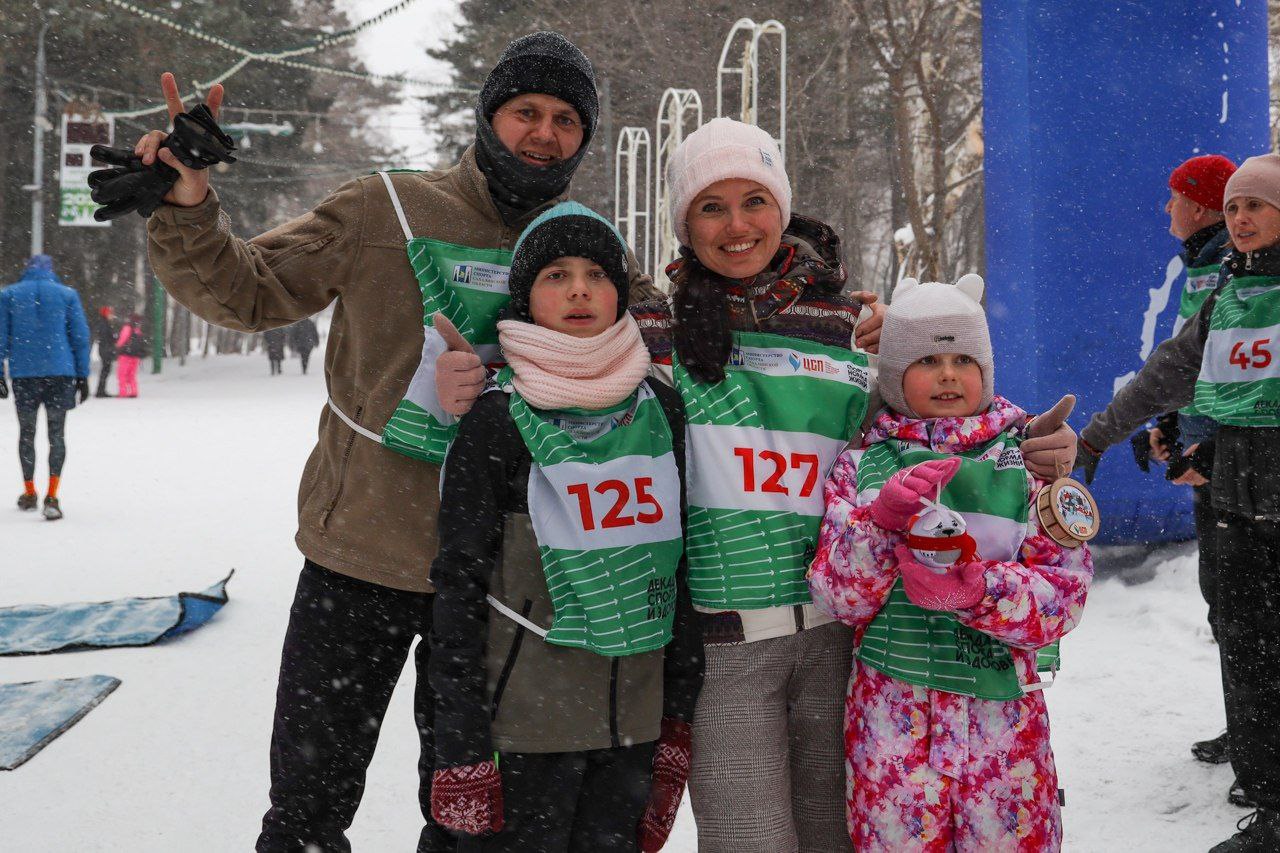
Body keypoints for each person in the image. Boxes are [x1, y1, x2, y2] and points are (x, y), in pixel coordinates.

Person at [437, 118, 1078, 852]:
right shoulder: (647, 327)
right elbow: (556, 360)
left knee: (838, 838)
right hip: (724, 647)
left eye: (754, 200)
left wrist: (1031, 448)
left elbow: (934, 423)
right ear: (684, 222)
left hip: (841, 645)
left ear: (782, 207)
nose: (736, 225)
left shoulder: (844, 326)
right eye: (711, 206)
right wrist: (471, 378)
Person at [132, 30, 655, 852]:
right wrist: (189, 203)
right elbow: (248, 289)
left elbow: (656, 348)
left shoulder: (583, 244)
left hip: (503, 579)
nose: (544, 134)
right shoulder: (385, 207)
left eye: (565, 119)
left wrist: (821, 309)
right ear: (487, 116)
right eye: (526, 111)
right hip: (364, 557)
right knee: (307, 810)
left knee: (468, 819)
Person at [429, 202, 702, 852]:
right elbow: (457, 586)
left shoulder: (661, 407)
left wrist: (675, 722)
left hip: (630, 729)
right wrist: (461, 737)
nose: (580, 288)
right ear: (527, 298)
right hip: (524, 730)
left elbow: (682, 567)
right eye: (556, 274)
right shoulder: (497, 419)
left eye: (595, 273)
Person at [809, 274, 1093, 851]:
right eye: (927, 359)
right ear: (892, 373)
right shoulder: (862, 466)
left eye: (964, 358)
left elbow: (1064, 596)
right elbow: (837, 595)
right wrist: (882, 524)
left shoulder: (1025, 462)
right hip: (892, 729)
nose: (947, 374)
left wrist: (980, 591)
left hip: (1004, 732)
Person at [1078, 153, 1280, 852]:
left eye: (1256, 207)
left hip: (1263, 485)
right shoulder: (1227, 290)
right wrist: (1099, 437)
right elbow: (1168, 370)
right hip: (1233, 496)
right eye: (1232, 208)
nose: (1242, 219)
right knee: (1246, 642)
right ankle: (1267, 796)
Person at [1142, 155, 1239, 775]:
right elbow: (1189, 367)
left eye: (1175, 196)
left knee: (1249, 605)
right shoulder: (1201, 265)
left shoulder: (1235, 269)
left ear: (1201, 205)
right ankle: (1251, 728)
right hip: (1209, 456)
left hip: (1241, 463)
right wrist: (1169, 427)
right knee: (1228, 605)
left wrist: (1207, 446)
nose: (1167, 209)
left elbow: (1236, 379)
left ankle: (1263, 742)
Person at [0, 254, 91, 521]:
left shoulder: (10, 295)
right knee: (57, 435)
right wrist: (82, 376)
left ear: (27, 270)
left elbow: (0, 336)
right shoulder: (67, 294)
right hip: (60, 374)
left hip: (24, 374)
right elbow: (80, 337)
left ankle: (29, 492)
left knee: (26, 433)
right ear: (51, 271)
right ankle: (52, 496)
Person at [115, 313, 147, 397]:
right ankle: (134, 392)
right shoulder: (138, 330)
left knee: (122, 375)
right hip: (135, 356)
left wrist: (117, 347)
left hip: (125, 355)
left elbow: (122, 340)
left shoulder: (127, 328)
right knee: (131, 375)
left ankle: (123, 392)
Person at [91, 305, 119, 397]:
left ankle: (101, 390)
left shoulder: (105, 323)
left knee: (105, 370)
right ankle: (100, 391)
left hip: (105, 349)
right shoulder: (104, 324)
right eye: (110, 313)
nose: (112, 315)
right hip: (105, 350)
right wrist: (112, 343)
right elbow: (106, 338)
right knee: (105, 370)